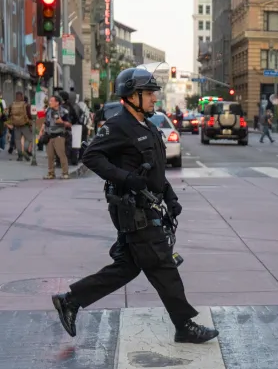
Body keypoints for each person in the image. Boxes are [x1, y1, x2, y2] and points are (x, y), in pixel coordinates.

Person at [52, 67, 218, 344]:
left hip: (149, 207)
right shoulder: (118, 126)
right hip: (134, 211)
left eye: (154, 93)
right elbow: (92, 156)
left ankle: (71, 300)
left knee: (128, 267)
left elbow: (155, 172)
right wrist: (125, 179)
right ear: (132, 95)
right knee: (163, 266)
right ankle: (184, 325)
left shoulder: (149, 127)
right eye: (149, 93)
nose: (154, 98)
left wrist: (170, 196)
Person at [40, 95, 72, 179]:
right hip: (49, 135)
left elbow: (69, 124)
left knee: (61, 154)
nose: (50, 102)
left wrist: (62, 122)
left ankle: (65, 173)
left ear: (57, 102)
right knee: (50, 155)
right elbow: (46, 121)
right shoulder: (48, 111)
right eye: (50, 101)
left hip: (59, 135)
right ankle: (51, 173)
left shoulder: (63, 111)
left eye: (51, 101)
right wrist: (41, 130)